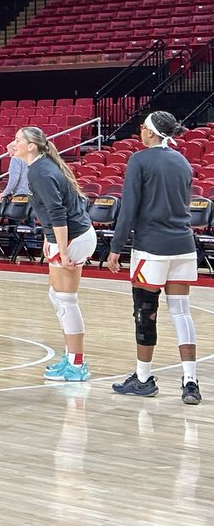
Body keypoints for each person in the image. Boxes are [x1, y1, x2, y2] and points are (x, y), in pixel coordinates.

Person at [105, 112, 202, 405]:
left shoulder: (140, 160)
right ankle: (190, 381)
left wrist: (116, 246)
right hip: (183, 246)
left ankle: (144, 378)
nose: (140, 132)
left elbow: (129, 207)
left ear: (151, 132)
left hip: (152, 248)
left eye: (143, 128)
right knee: (181, 312)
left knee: (145, 312)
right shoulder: (182, 161)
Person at [12, 125, 97, 382]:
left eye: (17, 140)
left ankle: (77, 363)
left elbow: (58, 214)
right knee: (58, 297)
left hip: (71, 237)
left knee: (66, 300)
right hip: (67, 236)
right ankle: (71, 356)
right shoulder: (40, 165)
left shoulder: (41, 172)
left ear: (31, 146)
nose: (12, 143)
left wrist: (62, 251)